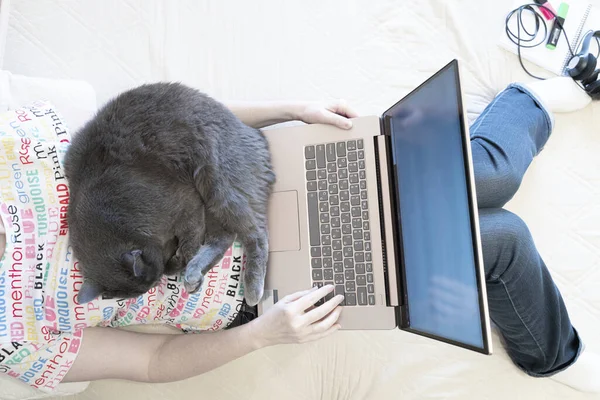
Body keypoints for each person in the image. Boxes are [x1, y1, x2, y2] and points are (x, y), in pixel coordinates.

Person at [0, 76, 598, 395]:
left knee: (490, 177)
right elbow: (154, 360)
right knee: (501, 235)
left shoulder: (15, 153)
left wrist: (296, 109)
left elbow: (161, 124)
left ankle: (534, 98)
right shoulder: (13, 337)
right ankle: (554, 357)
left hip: (264, 166)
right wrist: (265, 335)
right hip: (260, 288)